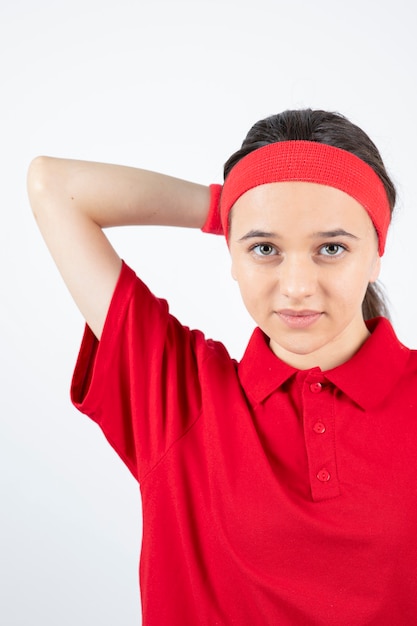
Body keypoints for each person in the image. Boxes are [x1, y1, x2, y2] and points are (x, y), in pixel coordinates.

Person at [27, 109, 417, 625]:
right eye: (264, 248)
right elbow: (53, 186)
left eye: (331, 248)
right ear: (230, 253)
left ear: (377, 255)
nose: (297, 286)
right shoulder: (178, 395)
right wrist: (228, 203)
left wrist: (254, 210)